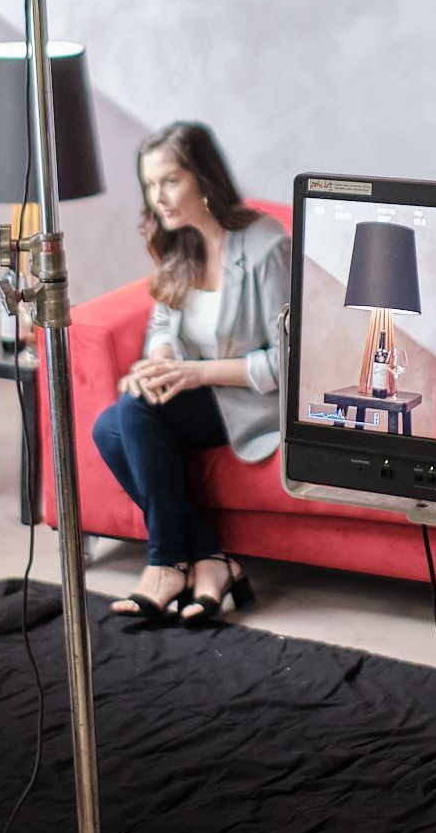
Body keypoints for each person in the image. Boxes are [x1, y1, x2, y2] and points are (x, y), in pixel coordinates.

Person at [91, 122, 290, 626]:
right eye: (150, 185)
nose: (159, 197)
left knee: (129, 414)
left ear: (203, 177)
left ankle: (165, 564)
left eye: (170, 181)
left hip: (255, 400)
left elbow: (288, 364)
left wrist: (193, 374)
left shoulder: (265, 246)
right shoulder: (178, 241)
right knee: (110, 424)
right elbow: (163, 318)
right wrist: (159, 358)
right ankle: (208, 558)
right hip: (200, 394)